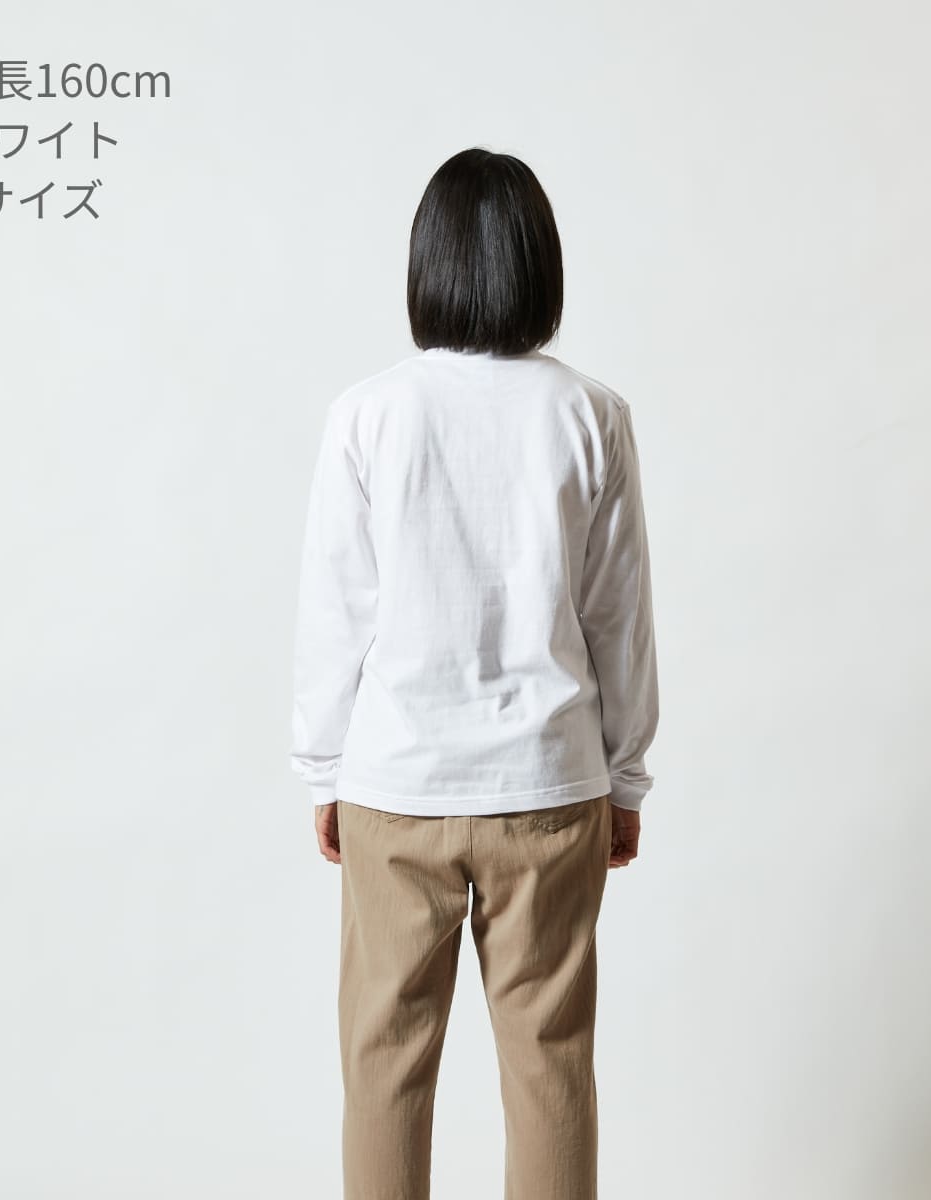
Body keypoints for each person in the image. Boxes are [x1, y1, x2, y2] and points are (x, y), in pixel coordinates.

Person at [290, 146, 659, 1200]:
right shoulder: (591, 413)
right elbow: (617, 616)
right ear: (539, 264)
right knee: (551, 1070)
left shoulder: (369, 413)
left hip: (395, 786)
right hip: (549, 785)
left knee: (383, 1068)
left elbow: (335, 611)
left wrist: (325, 770)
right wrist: (625, 778)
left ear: (430, 264)